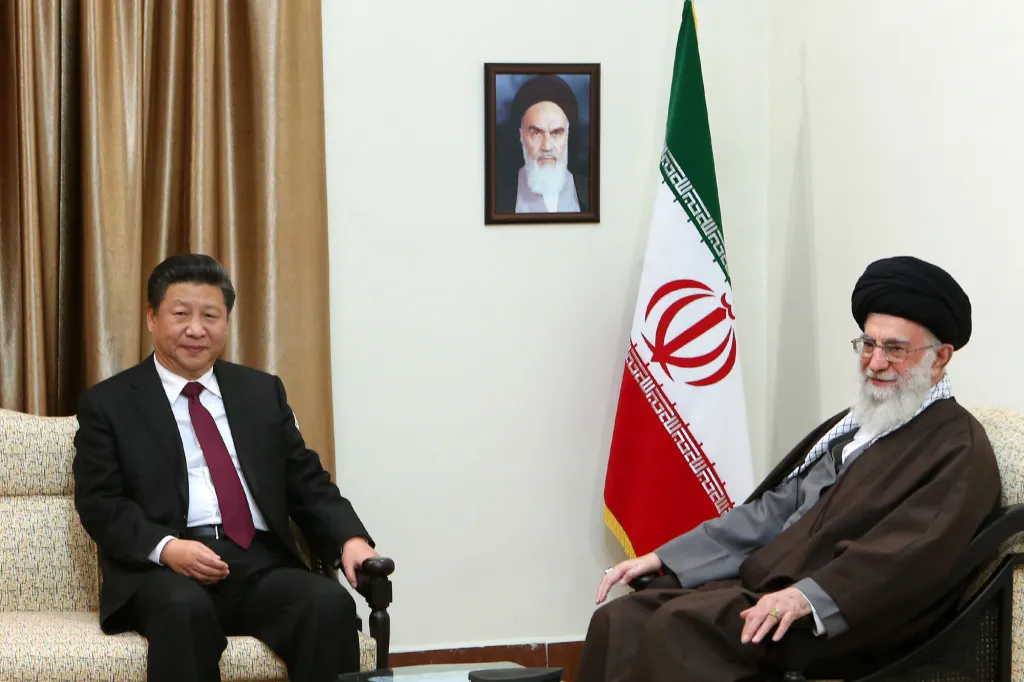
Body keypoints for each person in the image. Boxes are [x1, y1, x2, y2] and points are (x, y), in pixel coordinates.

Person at [578, 255, 1001, 682]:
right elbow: (773, 512)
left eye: (895, 348)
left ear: (941, 357)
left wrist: (806, 597)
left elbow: (906, 557)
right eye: (868, 345)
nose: (875, 362)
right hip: (768, 592)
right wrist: (666, 556)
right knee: (620, 620)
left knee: (680, 630)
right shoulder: (859, 427)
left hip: (842, 619)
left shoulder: (956, 448)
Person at [72, 254, 380, 682]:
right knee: (184, 609)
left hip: (258, 562)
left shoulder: (260, 391)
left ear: (227, 322)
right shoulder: (109, 403)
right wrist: (167, 548)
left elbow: (305, 478)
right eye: (181, 314)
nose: (196, 329)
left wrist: (349, 538)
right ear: (152, 318)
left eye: (210, 315)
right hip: (166, 569)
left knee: (328, 604)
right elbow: (99, 503)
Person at [495, 74, 590, 214]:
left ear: (568, 135)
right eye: (536, 133)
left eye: (556, 133)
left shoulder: (589, 191)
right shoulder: (498, 195)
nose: (546, 146)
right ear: (521, 135)